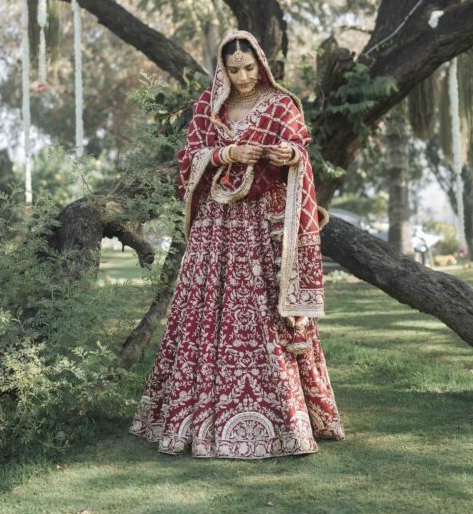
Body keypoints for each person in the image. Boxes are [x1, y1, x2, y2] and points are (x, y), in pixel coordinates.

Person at [128, 30, 345, 459]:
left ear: (261, 64)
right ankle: (198, 420)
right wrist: (227, 155)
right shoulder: (210, 108)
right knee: (204, 307)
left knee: (264, 307)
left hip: (263, 222)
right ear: (222, 69)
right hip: (216, 224)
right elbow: (189, 158)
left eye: (249, 68)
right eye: (233, 69)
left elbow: (299, 147)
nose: (243, 77)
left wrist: (288, 156)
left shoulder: (282, 105)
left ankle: (289, 421)